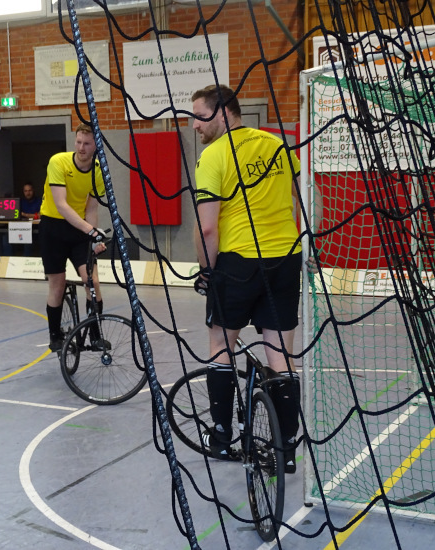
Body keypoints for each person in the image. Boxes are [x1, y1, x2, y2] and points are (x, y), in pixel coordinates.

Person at [191, 84, 303, 471]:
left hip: (238, 263)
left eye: (199, 116)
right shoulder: (277, 146)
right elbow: (308, 196)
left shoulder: (213, 156)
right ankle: (286, 449)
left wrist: (207, 272)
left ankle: (222, 439)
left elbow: (208, 229)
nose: (193, 125)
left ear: (223, 113)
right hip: (286, 260)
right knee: (281, 355)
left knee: (221, 343)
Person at [39, 123, 108, 353]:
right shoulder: (58, 162)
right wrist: (90, 230)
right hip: (53, 228)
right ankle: (55, 335)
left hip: (79, 230)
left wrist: (94, 238)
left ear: (96, 145)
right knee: (57, 285)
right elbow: (61, 205)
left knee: (92, 281)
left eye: (87, 143)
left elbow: (92, 209)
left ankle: (96, 335)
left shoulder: (98, 170)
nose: (81, 147)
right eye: (78, 142)